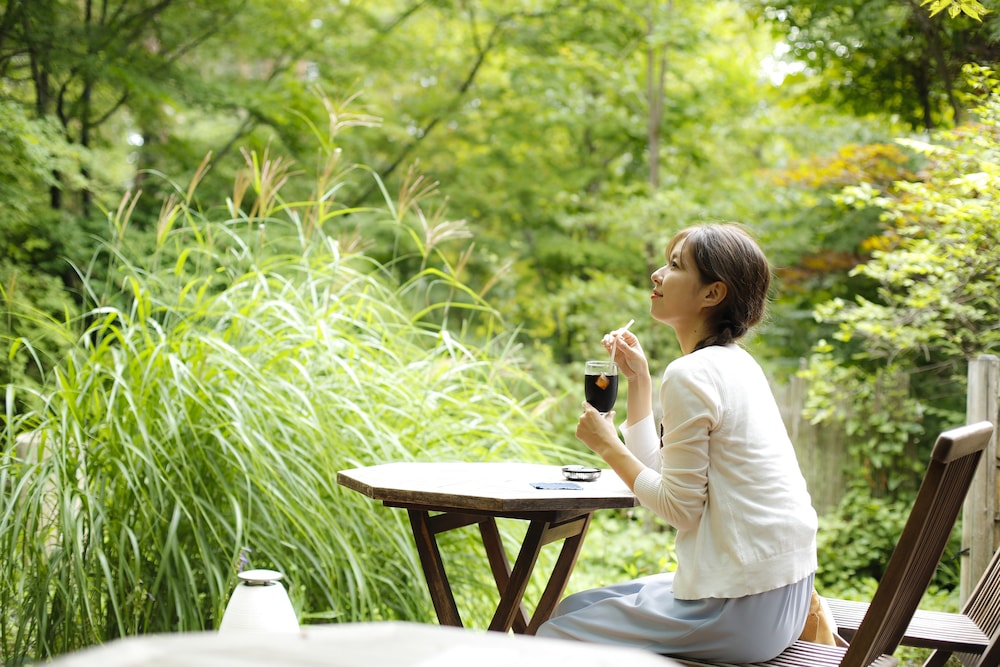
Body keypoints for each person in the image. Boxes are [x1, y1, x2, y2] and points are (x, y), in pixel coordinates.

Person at [536, 223, 818, 663]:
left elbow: (678, 510)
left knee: (552, 635)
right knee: (574, 609)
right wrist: (639, 381)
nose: (657, 274)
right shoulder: (736, 364)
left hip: (739, 608)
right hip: (785, 595)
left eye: (674, 265)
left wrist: (607, 446)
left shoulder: (692, 373)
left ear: (712, 293)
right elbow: (667, 479)